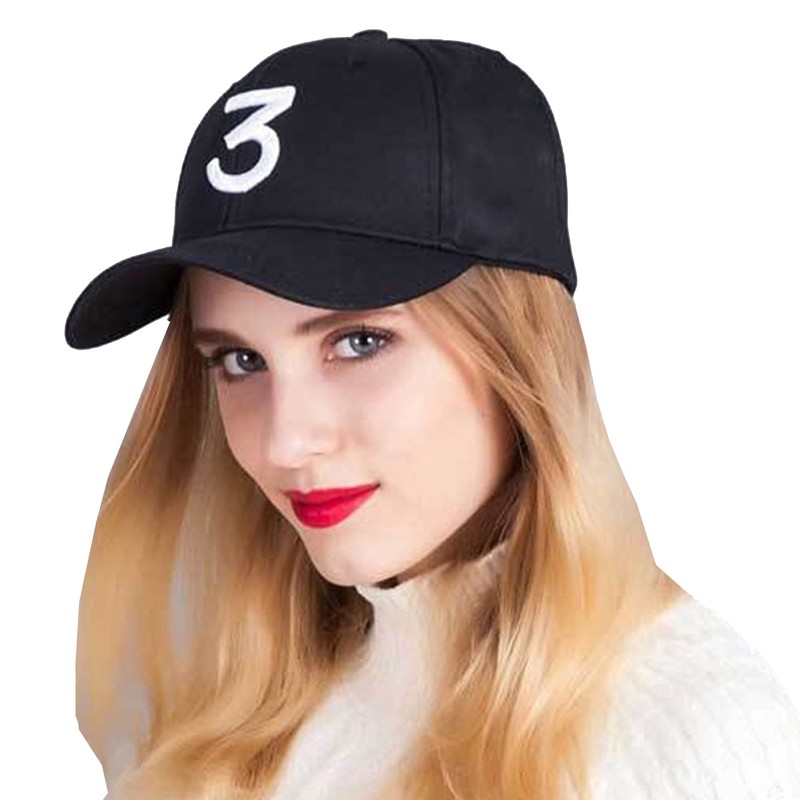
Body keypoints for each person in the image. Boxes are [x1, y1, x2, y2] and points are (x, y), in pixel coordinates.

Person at [64, 30, 800, 800]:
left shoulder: (695, 740)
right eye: (239, 360)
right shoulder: (240, 702)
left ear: (517, 350)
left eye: (358, 342)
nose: (285, 441)